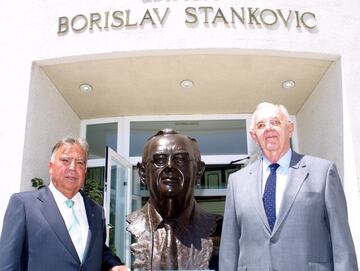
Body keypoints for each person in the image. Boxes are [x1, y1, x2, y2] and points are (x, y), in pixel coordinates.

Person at [219, 102, 358, 271]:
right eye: (261, 125)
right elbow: (229, 249)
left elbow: (342, 245)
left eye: (275, 122)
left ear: (290, 129)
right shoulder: (236, 182)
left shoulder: (323, 172)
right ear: (254, 135)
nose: (268, 128)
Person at [0, 136, 129, 271]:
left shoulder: (96, 211)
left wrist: (112, 265)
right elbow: (8, 264)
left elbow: (99, 251)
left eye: (80, 162)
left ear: (85, 170)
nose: (72, 167)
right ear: (51, 167)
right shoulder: (24, 205)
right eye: (65, 160)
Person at [127, 129, 220, 270]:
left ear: (199, 171)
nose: (170, 166)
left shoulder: (220, 229)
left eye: (180, 159)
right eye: (159, 160)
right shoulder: (128, 226)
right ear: (143, 173)